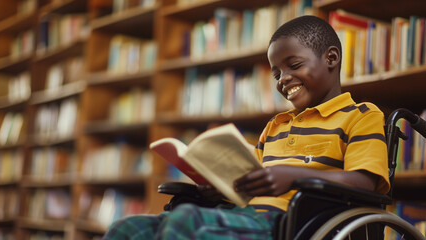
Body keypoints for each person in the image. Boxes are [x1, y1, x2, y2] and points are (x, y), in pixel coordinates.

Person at [103, 15, 390, 239]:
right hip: (244, 213)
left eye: (294, 65)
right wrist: (221, 186)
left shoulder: (361, 115)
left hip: (294, 225)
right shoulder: (275, 126)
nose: (283, 79)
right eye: (276, 72)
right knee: (130, 228)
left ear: (331, 58)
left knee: (186, 222)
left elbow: (364, 183)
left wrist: (292, 176)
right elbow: (250, 182)